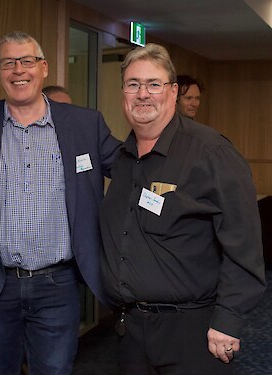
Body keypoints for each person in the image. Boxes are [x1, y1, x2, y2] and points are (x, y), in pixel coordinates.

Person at [99, 43, 266, 375]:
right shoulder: (122, 158)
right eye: (133, 84)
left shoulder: (211, 152)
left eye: (154, 84)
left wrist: (228, 321)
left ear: (173, 92)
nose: (142, 94)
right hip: (129, 331)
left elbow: (244, 246)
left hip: (194, 332)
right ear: (123, 94)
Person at [0, 31, 120, 375]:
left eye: (27, 61)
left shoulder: (84, 124)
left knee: (55, 370)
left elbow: (129, 168)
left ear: (44, 68)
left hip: (57, 285)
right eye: (8, 63)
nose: (19, 70)